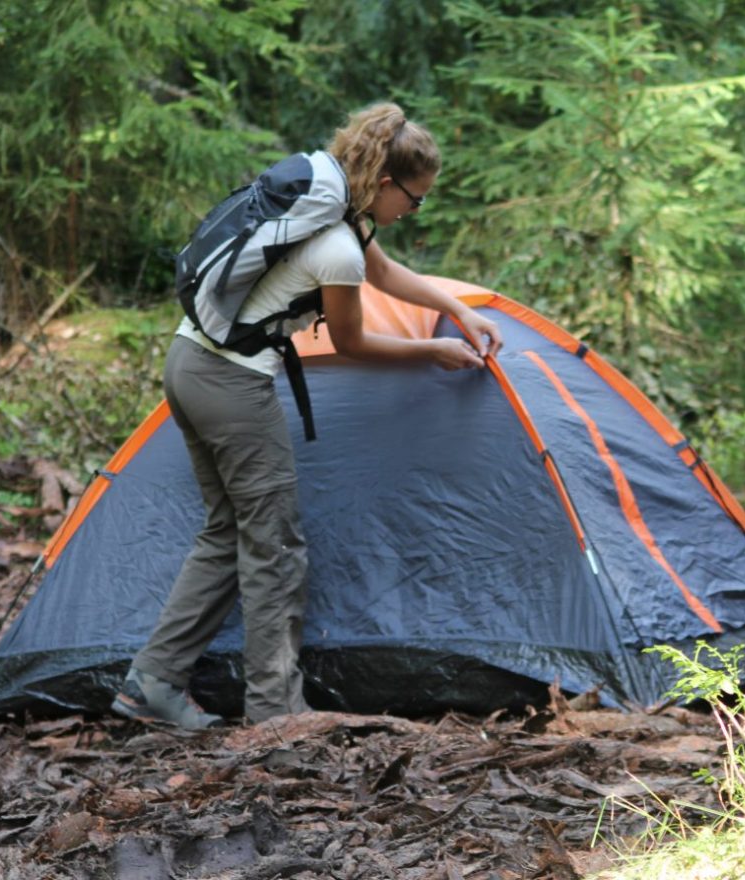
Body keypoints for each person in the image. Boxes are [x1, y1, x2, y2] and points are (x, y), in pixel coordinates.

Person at [112, 103, 504, 728]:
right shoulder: (336, 245)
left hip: (187, 362)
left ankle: (151, 683)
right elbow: (351, 342)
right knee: (276, 548)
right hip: (232, 387)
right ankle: (275, 714)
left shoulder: (335, 218)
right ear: (383, 184)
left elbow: (388, 274)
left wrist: (458, 309)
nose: (414, 211)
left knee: (228, 531)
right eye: (415, 199)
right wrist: (431, 349)